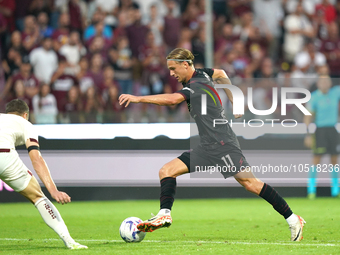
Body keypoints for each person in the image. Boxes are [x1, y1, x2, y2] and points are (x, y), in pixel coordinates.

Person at [119, 48, 306, 241]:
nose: (171, 74)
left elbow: (173, 99)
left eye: (173, 69)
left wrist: (138, 98)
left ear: (185, 65)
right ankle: (164, 214)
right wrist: (235, 99)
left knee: (251, 184)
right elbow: (221, 73)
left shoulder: (197, 83)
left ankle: (294, 220)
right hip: (208, 146)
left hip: (223, 143)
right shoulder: (202, 73)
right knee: (166, 171)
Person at [0, 99, 87, 250]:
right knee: (38, 197)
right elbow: (36, 159)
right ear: (25, 115)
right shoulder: (25, 123)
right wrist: (53, 190)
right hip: (4, 156)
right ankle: (69, 241)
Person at [304, 75, 340, 199]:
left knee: (335, 160)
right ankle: (311, 190)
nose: (324, 83)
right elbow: (308, 116)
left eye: (327, 81)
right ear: (318, 84)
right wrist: (308, 134)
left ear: (330, 83)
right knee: (316, 160)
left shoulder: (335, 93)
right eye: (322, 81)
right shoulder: (314, 97)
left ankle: (335, 190)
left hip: (333, 129)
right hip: (320, 131)